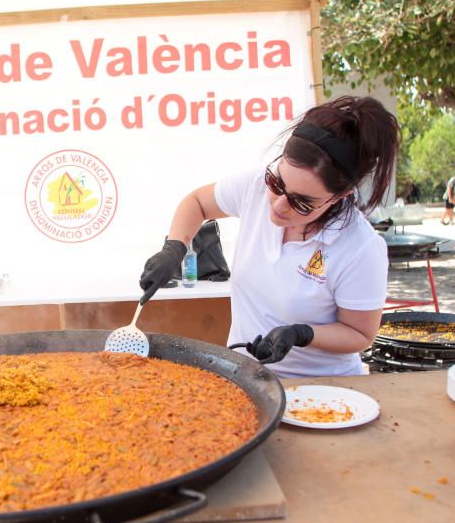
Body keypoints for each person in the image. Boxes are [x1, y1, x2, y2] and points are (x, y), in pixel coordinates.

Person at [138, 95, 399, 378]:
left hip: (323, 389)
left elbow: (360, 333)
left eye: (301, 203)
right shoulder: (255, 187)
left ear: (339, 197)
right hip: (244, 375)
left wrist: (303, 334)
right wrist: (174, 247)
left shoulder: (360, 248)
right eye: (278, 183)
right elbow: (197, 203)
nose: (277, 205)